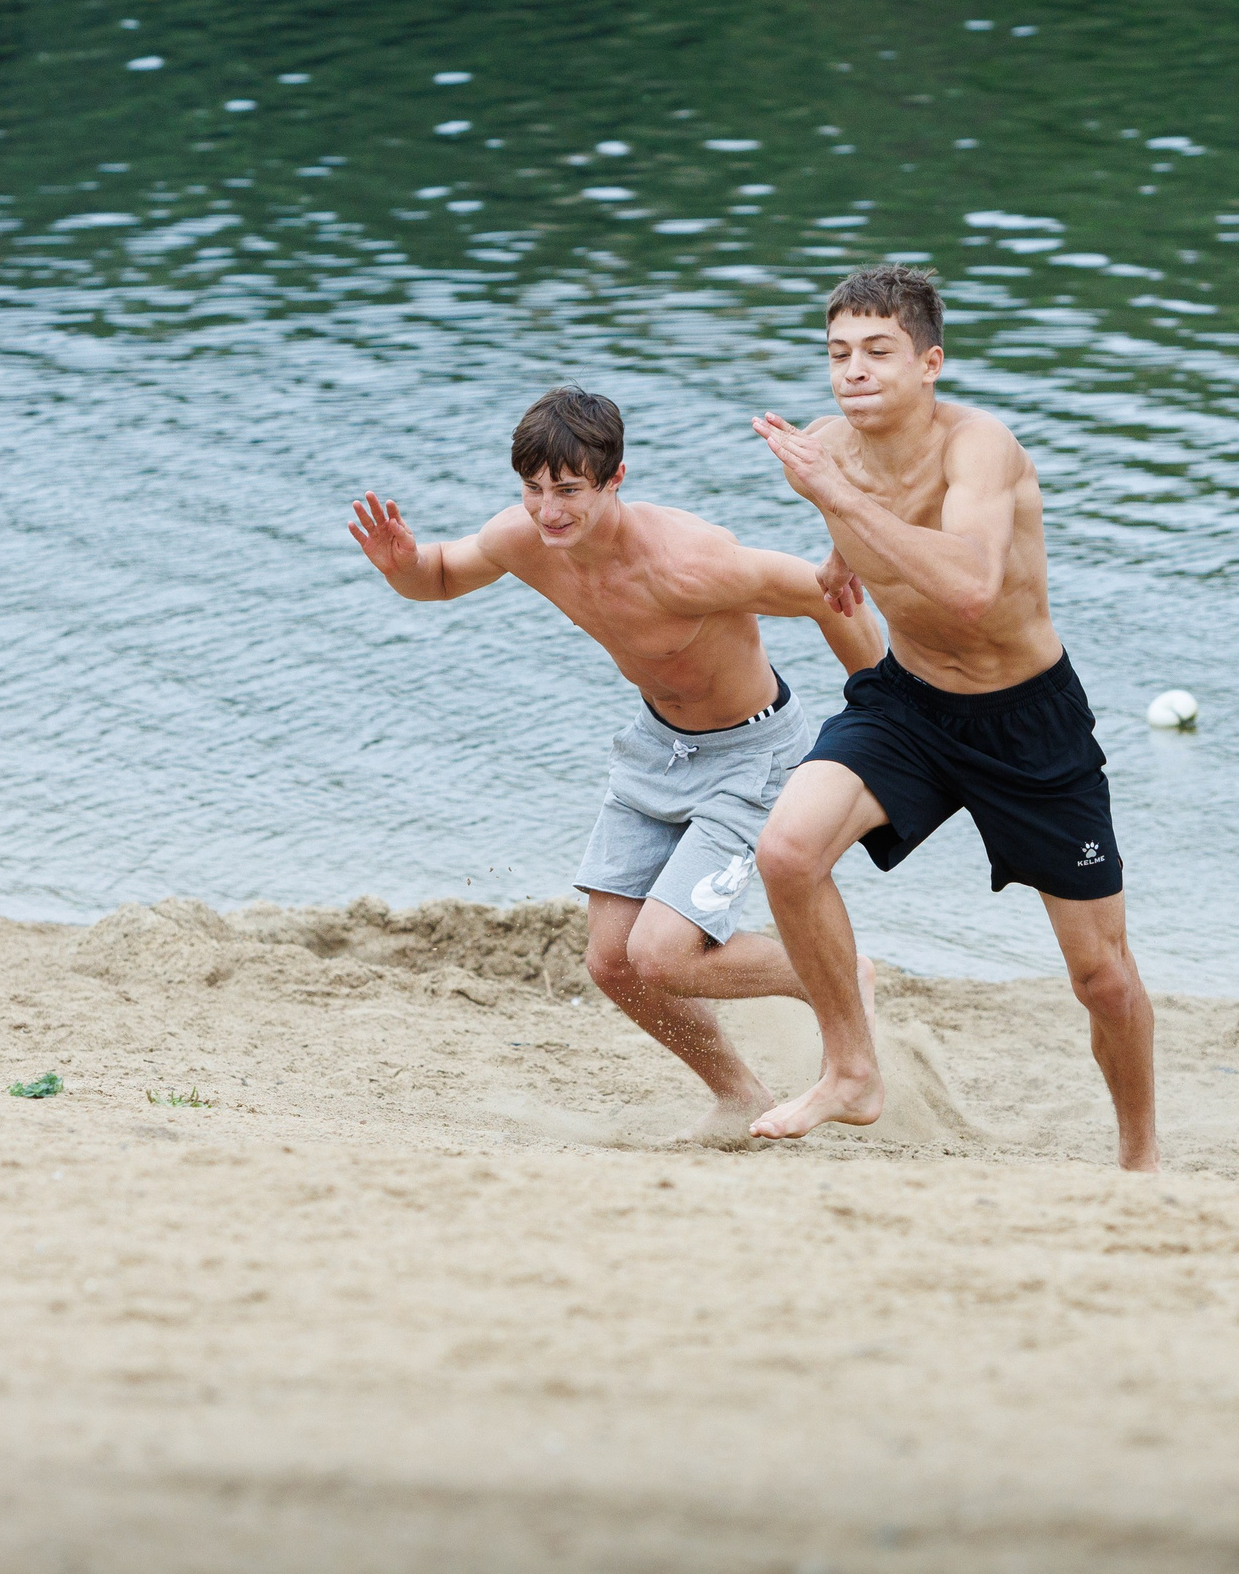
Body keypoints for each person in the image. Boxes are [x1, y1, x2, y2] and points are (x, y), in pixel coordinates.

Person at [349, 387, 887, 1143]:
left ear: (615, 479)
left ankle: (834, 978)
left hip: (752, 756)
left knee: (663, 955)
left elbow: (834, 596)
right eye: (534, 490)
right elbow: (439, 574)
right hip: (655, 749)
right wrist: (400, 566)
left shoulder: (691, 564)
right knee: (613, 963)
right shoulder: (527, 537)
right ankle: (738, 1093)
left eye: (568, 490)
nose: (548, 510)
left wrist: (883, 715)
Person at [747, 266, 1159, 1170]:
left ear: (930, 362)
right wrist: (835, 555)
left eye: (879, 352)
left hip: (1028, 722)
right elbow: (866, 524)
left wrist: (840, 503)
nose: (854, 371)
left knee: (1103, 979)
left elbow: (971, 586)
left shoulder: (982, 447)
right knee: (786, 852)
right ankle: (852, 1069)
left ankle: (1139, 1160)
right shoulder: (825, 448)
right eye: (838, 353)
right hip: (912, 703)